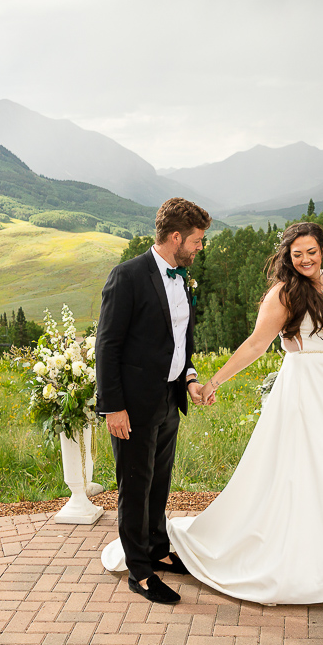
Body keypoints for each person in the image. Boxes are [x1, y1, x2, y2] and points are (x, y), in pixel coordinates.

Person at [103, 220, 323, 605]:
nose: (306, 260)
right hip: (308, 387)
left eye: (312, 252)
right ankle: (313, 555)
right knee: (310, 469)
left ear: (322, 251)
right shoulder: (283, 293)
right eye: (298, 255)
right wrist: (212, 383)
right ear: (287, 258)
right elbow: (256, 344)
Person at [95, 197, 213, 604]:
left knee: (159, 484)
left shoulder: (182, 278)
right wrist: (113, 406)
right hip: (131, 406)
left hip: (169, 398)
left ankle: (159, 550)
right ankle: (139, 572)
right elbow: (107, 346)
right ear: (176, 237)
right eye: (197, 240)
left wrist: (190, 377)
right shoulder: (127, 276)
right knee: (135, 487)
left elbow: (180, 339)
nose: (200, 247)